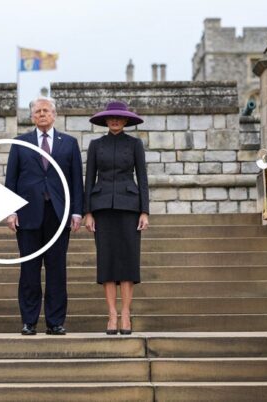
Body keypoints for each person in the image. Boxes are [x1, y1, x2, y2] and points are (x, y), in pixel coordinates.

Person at [5, 96, 83, 336]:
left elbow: (76, 181)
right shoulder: (20, 143)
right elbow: (11, 179)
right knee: (29, 270)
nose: (41, 114)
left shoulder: (69, 143)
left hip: (58, 215)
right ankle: (29, 321)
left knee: (57, 270)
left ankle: (55, 322)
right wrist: (10, 211)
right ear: (31, 116)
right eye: (37, 111)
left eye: (46, 111)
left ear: (54, 115)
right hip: (28, 215)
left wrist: (77, 211)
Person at [83, 101, 149, 335]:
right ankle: (111, 314)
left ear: (126, 120)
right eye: (111, 118)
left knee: (128, 261)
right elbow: (89, 179)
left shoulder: (135, 144)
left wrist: (145, 211)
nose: (115, 121)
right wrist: (88, 212)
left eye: (119, 118)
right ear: (105, 120)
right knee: (107, 262)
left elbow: (142, 178)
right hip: (102, 209)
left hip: (130, 208)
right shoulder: (95, 145)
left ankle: (126, 315)